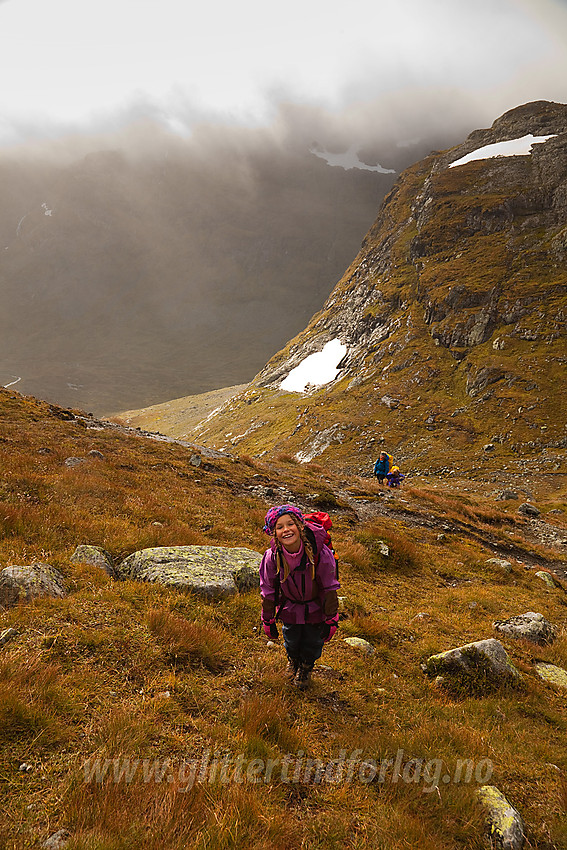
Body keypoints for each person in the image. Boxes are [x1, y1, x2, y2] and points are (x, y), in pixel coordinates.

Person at [259, 504, 340, 690]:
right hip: (290, 608)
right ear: (273, 533)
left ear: (301, 526)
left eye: (290, 524)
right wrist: (268, 619)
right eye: (279, 527)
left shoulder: (320, 554)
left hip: (316, 608)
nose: (286, 530)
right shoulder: (272, 557)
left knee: (313, 641)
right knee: (291, 638)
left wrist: (331, 619)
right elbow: (268, 590)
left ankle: (306, 667)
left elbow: (329, 588)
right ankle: (293, 661)